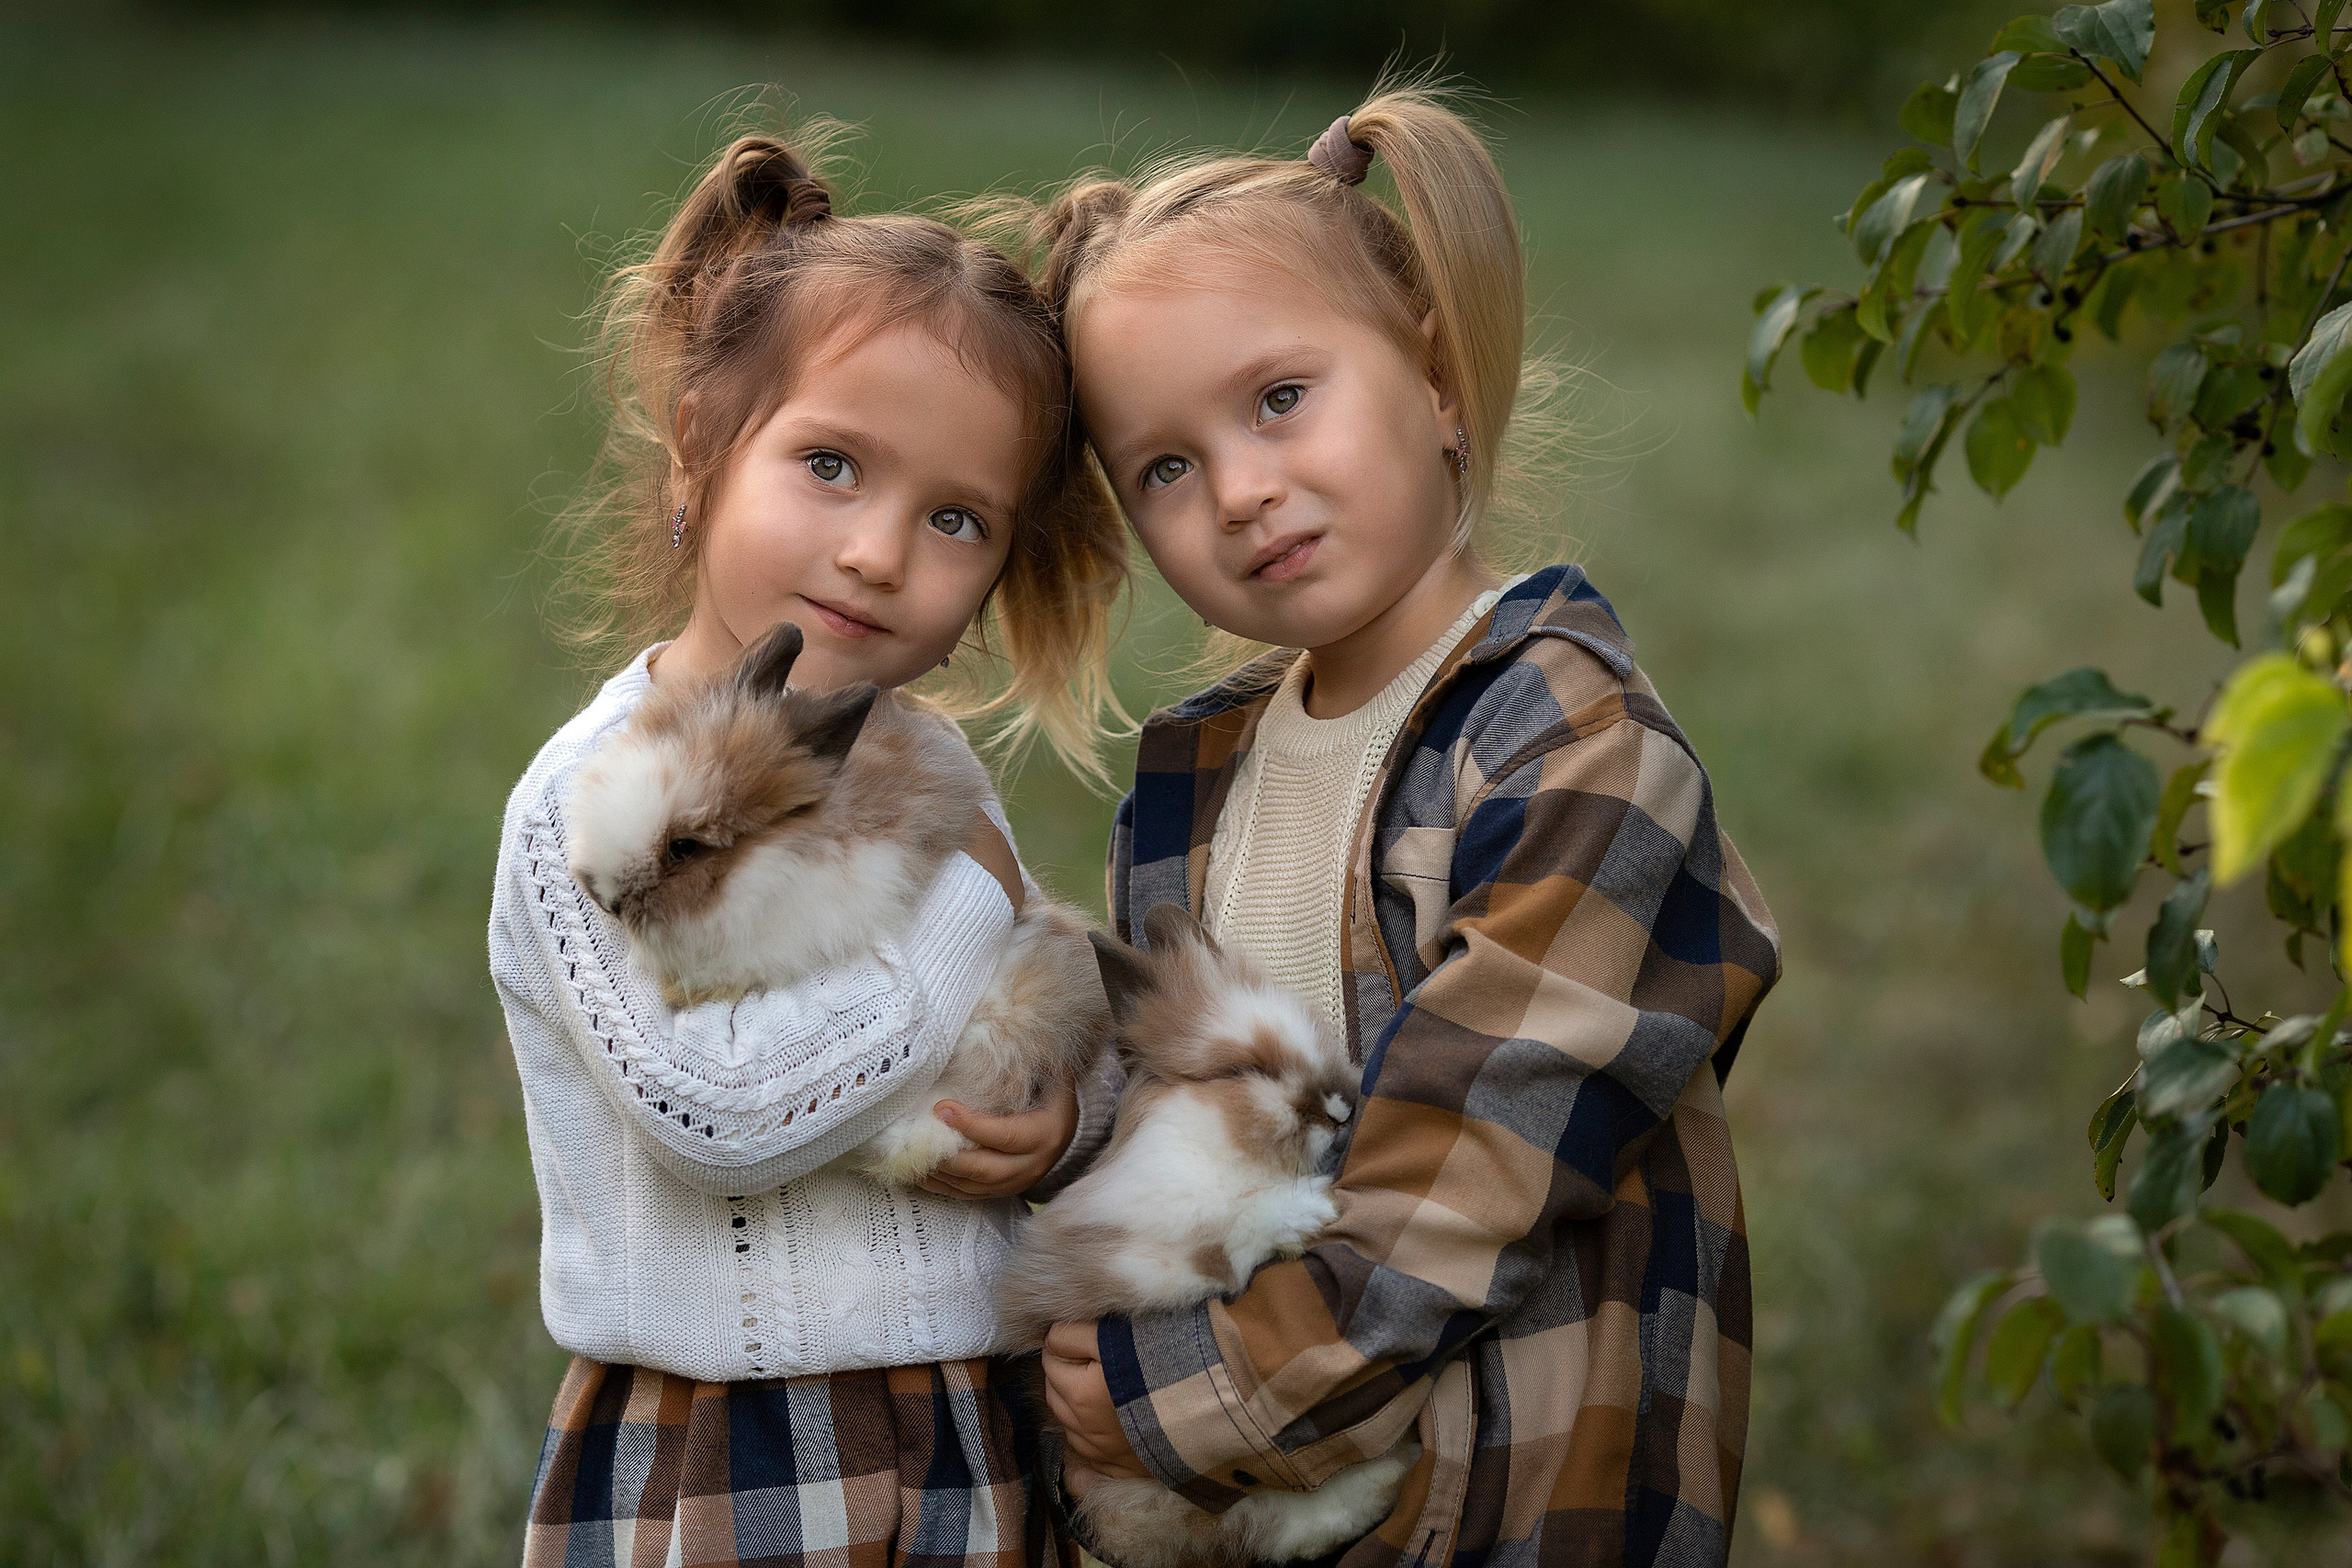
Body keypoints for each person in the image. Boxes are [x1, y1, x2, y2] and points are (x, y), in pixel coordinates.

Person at [1024, 79, 1781, 1567]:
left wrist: (1162, 1398)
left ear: (1435, 379)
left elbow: (1460, 1191)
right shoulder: (1198, 779)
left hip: (1499, 1494)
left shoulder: (1570, 749)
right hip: (1243, 1510)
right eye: (1164, 469)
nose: (1241, 491)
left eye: (1280, 399)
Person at [487, 118, 1126, 1568]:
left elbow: (1035, 1018)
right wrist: (962, 895)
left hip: (976, 1424)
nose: (878, 551)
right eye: (833, 465)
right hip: (731, 1448)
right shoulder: (596, 805)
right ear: (702, 444)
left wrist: (1058, 1126)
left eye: (955, 518)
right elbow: (720, 1120)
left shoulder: (926, 765)